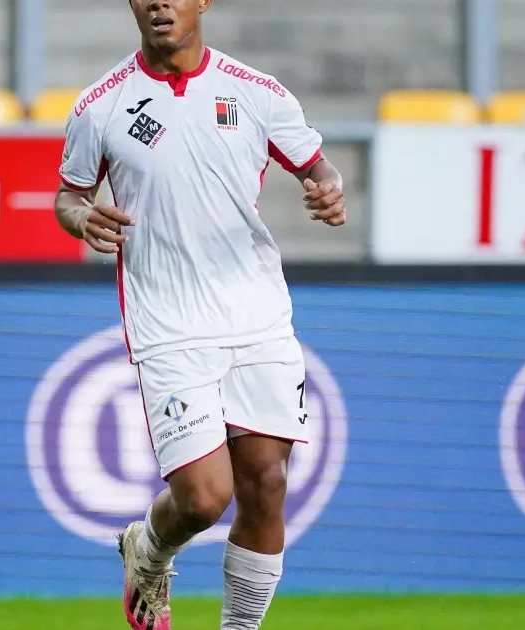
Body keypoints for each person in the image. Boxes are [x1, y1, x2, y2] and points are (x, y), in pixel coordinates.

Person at [52, 1, 347, 628]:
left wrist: (328, 188)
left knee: (267, 482)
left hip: (257, 315)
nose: (161, 2)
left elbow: (317, 166)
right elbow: (69, 196)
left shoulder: (256, 92)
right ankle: (148, 550)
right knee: (204, 499)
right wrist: (82, 217)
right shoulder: (101, 105)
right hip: (169, 323)